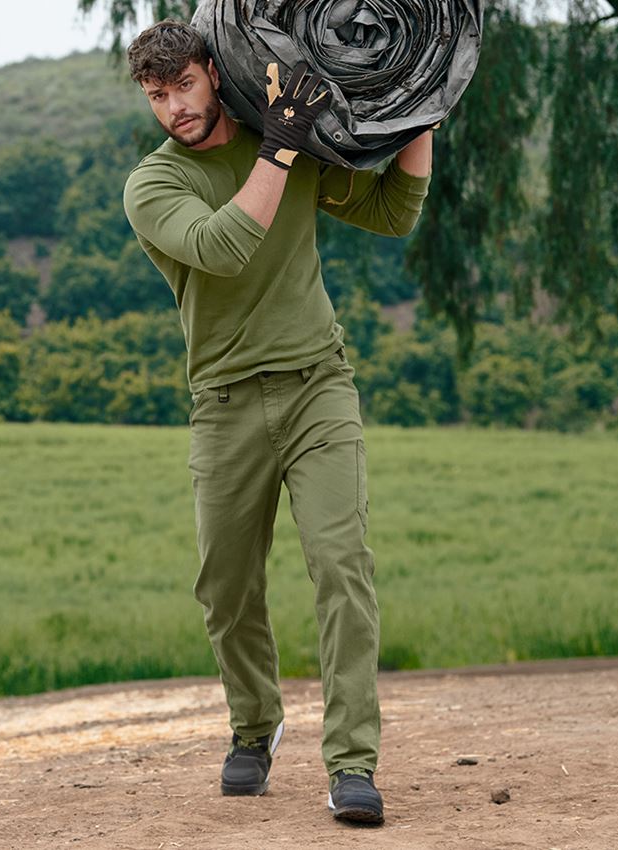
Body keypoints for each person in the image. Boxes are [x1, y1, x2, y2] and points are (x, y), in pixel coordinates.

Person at [122, 19, 432, 826]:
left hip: (317, 387)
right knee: (225, 588)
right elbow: (224, 247)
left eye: (183, 86)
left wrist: (421, 112)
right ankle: (255, 728)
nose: (173, 109)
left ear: (214, 74)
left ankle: (352, 764)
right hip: (223, 403)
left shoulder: (282, 143)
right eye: (157, 97)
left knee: (341, 564)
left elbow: (394, 210)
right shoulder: (153, 186)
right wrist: (280, 149)